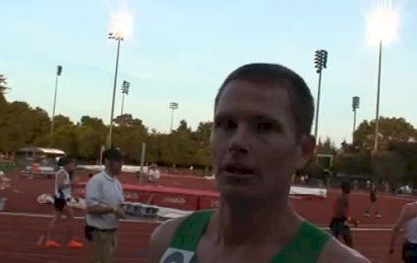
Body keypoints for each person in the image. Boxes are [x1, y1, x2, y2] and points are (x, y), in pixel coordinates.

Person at [149, 63, 368, 262]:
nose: (237, 142)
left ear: (303, 150)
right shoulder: (167, 241)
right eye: (226, 124)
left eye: (264, 127)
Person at [85, 147, 126, 263]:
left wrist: (124, 210)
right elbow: (90, 208)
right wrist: (112, 209)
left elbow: (120, 205)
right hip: (99, 234)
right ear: (107, 162)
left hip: (112, 233)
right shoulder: (97, 181)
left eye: (122, 161)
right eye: (118, 161)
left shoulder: (117, 183)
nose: (121, 164)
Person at [44, 157, 84, 248]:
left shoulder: (65, 173)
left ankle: (50, 240)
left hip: (60, 199)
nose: (74, 166)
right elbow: (60, 185)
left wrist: (72, 184)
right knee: (70, 217)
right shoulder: (62, 173)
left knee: (56, 218)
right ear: (67, 165)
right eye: (72, 164)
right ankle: (70, 240)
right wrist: (72, 183)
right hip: (60, 199)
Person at [329, 181, 358, 248]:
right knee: (349, 244)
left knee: (335, 244)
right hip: (341, 222)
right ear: (346, 188)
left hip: (335, 222)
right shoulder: (344, 198)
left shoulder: (340, 197)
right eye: (349, 187)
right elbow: (341, 212)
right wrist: (352, 221)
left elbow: (336, 209)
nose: (350, 189)